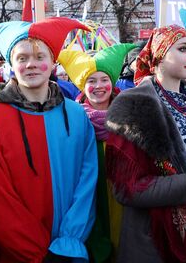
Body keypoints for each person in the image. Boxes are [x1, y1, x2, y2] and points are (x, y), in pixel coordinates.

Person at [105, 24, 186, 263]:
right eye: (182, 49)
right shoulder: (133, 105)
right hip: (163, 230)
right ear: (159, 56)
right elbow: (127, 188)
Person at [0, 17, 98, 262]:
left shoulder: (76, 115)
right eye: (22, 58)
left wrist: (68, 243)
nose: (31, 64)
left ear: (53, 62)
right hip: (18, 254)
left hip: (69, 251)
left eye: (39, 57)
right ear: (11, 64)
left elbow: (88, 181)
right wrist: (37, 253)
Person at [58, 43, 137, 262]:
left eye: (104, 80)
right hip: (89, 199)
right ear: (83, 86)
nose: (99, 86)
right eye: (91, 81)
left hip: (125, 199)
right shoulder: (72, 117)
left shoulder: (131, 113)